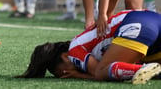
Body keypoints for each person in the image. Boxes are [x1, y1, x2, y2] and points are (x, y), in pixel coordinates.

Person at [16, 10, 161, 84]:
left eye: (63, 72)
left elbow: (98, 73)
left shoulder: (74, 50)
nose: (67, 73)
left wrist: (78, 75)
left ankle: (143, 70)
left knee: (102, 71)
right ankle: (152, 68)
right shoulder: (88, 45)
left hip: (136, 25)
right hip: (153, 20)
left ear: (64, 56)